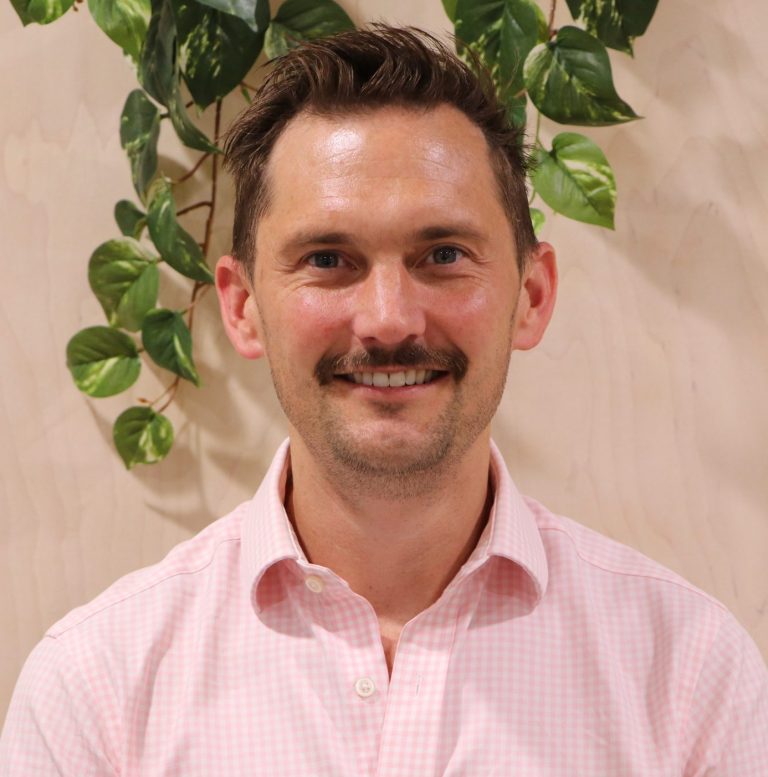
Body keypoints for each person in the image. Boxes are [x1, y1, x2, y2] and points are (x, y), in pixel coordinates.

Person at [1, 24, 766, 776]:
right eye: (328, 258)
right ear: (242, 306)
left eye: (443, 254)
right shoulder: (95, 693)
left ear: (531, 296)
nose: (389, 319)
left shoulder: (691, 680)